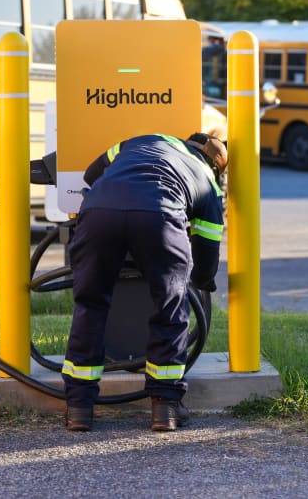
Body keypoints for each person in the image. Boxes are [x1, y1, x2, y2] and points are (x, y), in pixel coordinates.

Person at [61, 132, 227, 432]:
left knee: (90, 305)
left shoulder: (140, 141)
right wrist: (202, 279)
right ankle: (165, 409)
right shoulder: (210, 184)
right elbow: (208, 249)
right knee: (170, 308)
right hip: (160, 216)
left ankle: (78, 408)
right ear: (216, 166)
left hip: (98, 212)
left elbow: (90, 174)